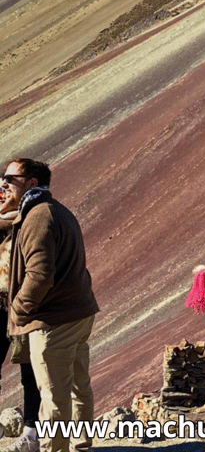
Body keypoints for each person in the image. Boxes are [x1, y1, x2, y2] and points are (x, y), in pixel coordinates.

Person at [3, 159, 99, 452]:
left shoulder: (37, 217)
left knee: (53, 396)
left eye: (10, 178)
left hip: (52, 321)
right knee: (78, 388)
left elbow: (40, 275)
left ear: (32, 183)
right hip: (78, 313)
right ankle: (81, 445)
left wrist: (18, 310)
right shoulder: (56, 210)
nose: (3, 183)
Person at [0, 187, 41, 452]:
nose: (1, 193)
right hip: (0, 304)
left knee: (30, 371)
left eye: (6, 187)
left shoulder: (30, 219)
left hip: (22, 306)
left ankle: (31, 432)